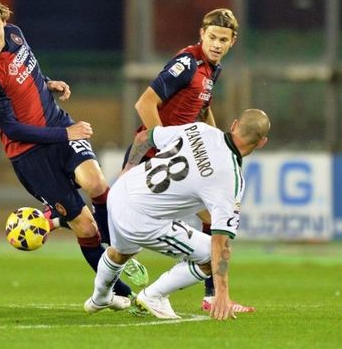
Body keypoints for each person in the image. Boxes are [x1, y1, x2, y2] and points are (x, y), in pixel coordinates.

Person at [0, 0, 147, 299]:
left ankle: (116, 249)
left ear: (4, 21)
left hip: (57, 123)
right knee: (86, 228)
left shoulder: (15, 34)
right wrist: (68, 135)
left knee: (96, 182)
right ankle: (121, 293)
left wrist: (47, 83)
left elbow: (27, 73)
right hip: (31, 155)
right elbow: (11, 128)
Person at [124, 8, 254, 312]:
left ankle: (209, 295)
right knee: (123, 235)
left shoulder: (212, 69)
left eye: (223, 39)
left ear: (233, 41)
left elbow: (202, 110)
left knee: (214, 219)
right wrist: (166, 146)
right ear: (201, 35)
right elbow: (144, 103)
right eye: (212, 37)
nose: (217, 44)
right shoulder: (187, 63)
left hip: (178, 158)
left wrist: (219, 144)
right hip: (157, 157)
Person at [86, 109, 270, 319]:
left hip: (122, 190)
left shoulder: (200, 130)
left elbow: (144, 137)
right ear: (262, 142)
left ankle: (100, 297)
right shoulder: (231, 178)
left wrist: (128, 167)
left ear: (234, 124)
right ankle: (153, 296)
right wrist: (222, 293)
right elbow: (220, 241)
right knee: (210, 256)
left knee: (120, 252)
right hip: (141, 218)